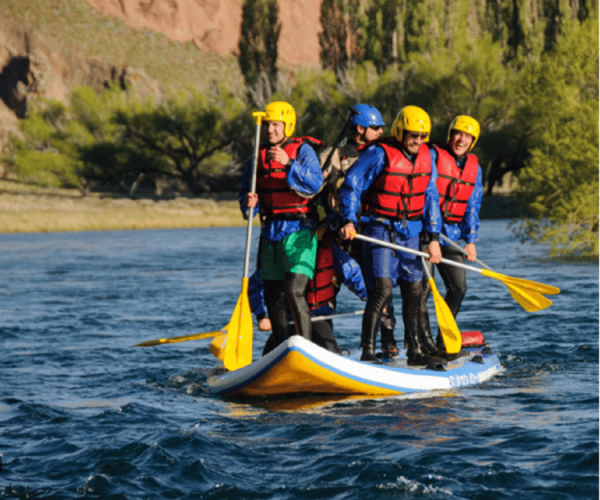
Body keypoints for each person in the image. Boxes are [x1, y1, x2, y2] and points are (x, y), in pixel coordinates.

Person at [337, 105, 444, 365]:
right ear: (399, 131)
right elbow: (351, 186)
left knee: (414, 290)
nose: (417, 141)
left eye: (422, 136)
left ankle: (415, 351)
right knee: (382, 290)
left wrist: (433, 238)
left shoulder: (427, 157)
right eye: (412, 135)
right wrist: (349, 220)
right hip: (380, 229)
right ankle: (368, 351)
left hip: (411, 232)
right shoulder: (378, 153)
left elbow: (431, 198)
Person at [240, 101, 324, 350]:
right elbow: (247, 201)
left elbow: (315, 183)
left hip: (300, 231)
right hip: (270, 233)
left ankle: (306, 349)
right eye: (267, 125)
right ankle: (280, 348)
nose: (270, 130)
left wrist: (289, 163)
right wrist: (248, 203)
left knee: (294, 290)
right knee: (273, 295)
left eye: (275, 124)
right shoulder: (257, 157)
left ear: (287, 125)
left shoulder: (303, 151)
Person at [319, 104, 399, 358]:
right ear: (360, 129)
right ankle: (325, 346)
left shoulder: (382, 153)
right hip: (338, 231)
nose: (380, 132)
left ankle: (388, 342)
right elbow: (311, 191)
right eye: (375, 128)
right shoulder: (332, 156)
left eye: (381, 128)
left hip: (370, 230)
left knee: (380, 286)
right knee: (326, 289)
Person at [249, 223, 368, 355]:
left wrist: (370, 298)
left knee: (329, 351)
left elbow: (352, 272)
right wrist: (262, 316)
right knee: (269, 354)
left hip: (319, 318)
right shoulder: (286, 249)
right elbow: (256, 285)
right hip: (286, 321)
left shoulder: (331, 251)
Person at [420, 115, 483, 359]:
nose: (461, 139)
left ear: (472, 141)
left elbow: (472, 205)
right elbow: (430, 196)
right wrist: (433, 235)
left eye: (467, 136)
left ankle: (442, 339)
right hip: (426, 233)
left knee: (458, 287)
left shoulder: (474, 168)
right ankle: (422, 344)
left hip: (451, 236)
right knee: (423, 290)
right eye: (458, 134)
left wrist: (471, 240)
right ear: (450, 135)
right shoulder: (434, 157)